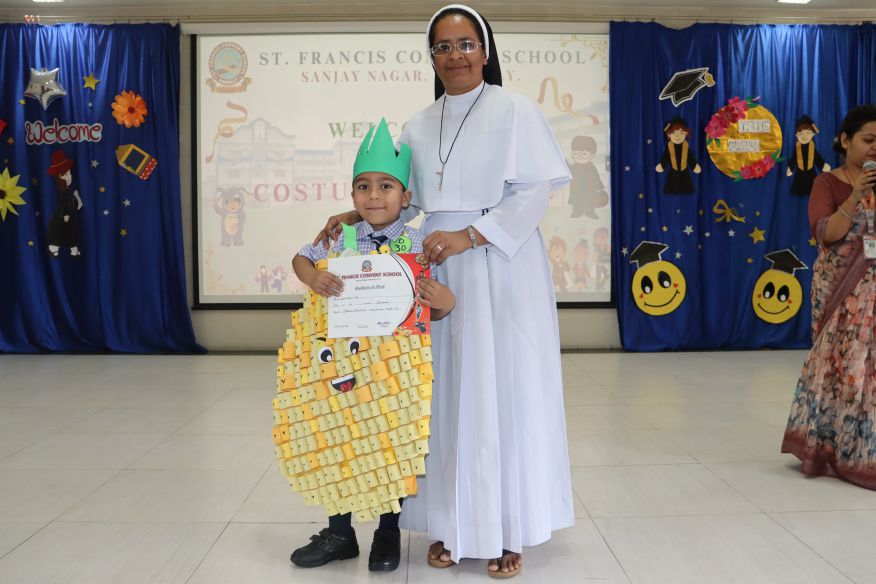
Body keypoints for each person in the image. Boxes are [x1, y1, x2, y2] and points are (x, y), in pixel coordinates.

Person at [315, 5, 574, 578]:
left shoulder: (514, 110)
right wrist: (353, 214)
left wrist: (472, 234)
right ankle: (455, 526)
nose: (455, 55)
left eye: (465, 44)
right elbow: (399, 196)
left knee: (502, 392)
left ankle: (507, 531)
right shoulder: (419, 122)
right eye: (443, 47)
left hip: (500, 263)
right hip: (436, 268)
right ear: (431, 57)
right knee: (445, 399)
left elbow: (533, 193)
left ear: (485, 50)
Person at [289, 118, 455, 572]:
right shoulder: (340, 237)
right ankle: (339, 533)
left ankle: (387, 532)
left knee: (389, 447)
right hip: (342, 368)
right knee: (338, 441)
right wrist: (314, 277)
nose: (374, 196)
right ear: (352, 195)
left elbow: (435, 306)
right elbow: (301, 258)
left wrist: (445, 301)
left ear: (406, 195)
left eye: (386, 186)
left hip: (394, 372)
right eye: (363, 186)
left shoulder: (418, 243)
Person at [782, 104, 876, 489]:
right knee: (846, 367)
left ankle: (865, 448)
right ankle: (835, 447)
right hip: (841, 292)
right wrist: (857, 195)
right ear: (844, 140)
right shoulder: (827, 183)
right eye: (868, 139)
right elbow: (826, 234)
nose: (874, 147)